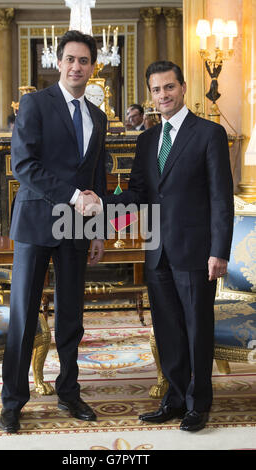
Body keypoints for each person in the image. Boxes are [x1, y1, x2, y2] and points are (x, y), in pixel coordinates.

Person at [84, 60, 234, 432]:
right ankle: (175, 398)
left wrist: (220, 251)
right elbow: (137, 194)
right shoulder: (147, 139)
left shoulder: (209, 133)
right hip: (157, 250)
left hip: (196, 250)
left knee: (197, 326)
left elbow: (221, 198)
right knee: (167, 328)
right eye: (156, 89)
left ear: (183, 88)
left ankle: (199, 404)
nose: (163, 95)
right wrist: (101, 203)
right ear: (150, 94)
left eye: (169, 87)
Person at [0, 30, 107, 433]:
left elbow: (97, 174)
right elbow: (23, 165)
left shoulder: (98, 116)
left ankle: (69, 391)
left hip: (78, 228)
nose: (77, 66)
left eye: (84, 61)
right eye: (70, 60)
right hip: (34, 222)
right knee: (24, 316)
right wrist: (74, 195)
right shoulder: (35, 103)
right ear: (58, 63)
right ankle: (12, 401)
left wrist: (97, 229)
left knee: (71, 316)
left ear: (92, 67)